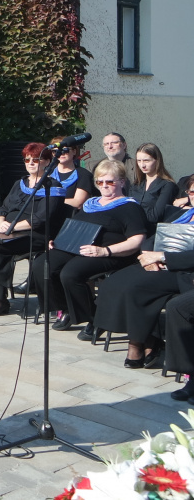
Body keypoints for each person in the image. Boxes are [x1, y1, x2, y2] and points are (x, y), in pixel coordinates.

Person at [30, 159, 150, 338]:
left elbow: (137, 240)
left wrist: (104, 251)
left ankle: (96, 318)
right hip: (77, 247)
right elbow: (74, 226)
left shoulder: (130, 207)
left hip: (109, 253)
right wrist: (58, 240)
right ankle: (67, 308)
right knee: (42, 264)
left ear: (122, 182)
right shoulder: (91, 204)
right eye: (99, 182)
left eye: (109, 182)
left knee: (70, 273)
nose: (104, 186)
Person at [0, 143, 68, 316]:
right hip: (8, 231)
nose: (31, 163)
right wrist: (1, 222)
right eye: (27, 159)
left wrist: (11, 227)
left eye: (36, 159)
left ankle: (0, 299)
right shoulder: (20, 184)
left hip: (34, 234)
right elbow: (3, 209)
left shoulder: (53, 188)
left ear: (47, 162)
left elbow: (41, 219)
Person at [94, 197, 194, 369]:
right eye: (192, 191)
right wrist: (147, 257)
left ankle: (137, 343)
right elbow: (152, 238)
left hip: (184, 271)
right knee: (114, 282)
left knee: (136, 288)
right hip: (159, 263)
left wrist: (163, 257)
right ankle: (148, 338)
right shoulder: (182, 214)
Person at [131, 142, 179, 226]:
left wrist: (132, 217)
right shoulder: (136, 184)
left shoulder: (167, 185)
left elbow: (155, 216)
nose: (142, 165)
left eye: (146, 160)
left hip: (153, 230)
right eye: (139, 161)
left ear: (157, 161)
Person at [49, 137, 94, 211]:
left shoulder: (84, 175)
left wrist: (49, 201)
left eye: (65, 150)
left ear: (74, 151)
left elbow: (78, 203)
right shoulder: (48, 173)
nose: (61, 153)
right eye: (55, 151)